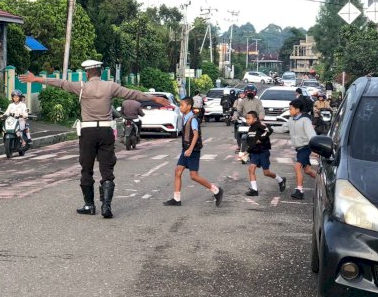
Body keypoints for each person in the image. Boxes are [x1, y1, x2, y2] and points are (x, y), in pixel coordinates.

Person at [19, 60, 167, 218]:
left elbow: (60, 83)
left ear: (87, 73)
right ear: (101, 71)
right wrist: (155, 98)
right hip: (106, 131)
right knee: (107, 169)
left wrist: (36, 79)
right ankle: (106, 206)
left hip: (88, 132)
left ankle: (89, 205)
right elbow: (133, 93)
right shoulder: (110, 86)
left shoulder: (81, 87)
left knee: (86, 168)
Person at [163, 97, 224, 207]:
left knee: (194, 176)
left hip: (192, 150)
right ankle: (176, 199)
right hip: (186, 149)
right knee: (178, 172)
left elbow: (196, 135)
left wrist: (190, 149)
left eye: (182, 105)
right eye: (180, 105)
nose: (180, 107)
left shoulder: (193, 119)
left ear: (189, 107)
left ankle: (216, 190)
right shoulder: (185, 116)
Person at [277, 100, 317, 200]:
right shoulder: (291, 120)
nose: (289, 111)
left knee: (297, 166)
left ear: (298, 109)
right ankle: (323, 182)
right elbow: (282, 129)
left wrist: (316, 148)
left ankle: (299, 191)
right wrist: (269, 129)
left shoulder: (305, 120)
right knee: (307, 170)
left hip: (306, 147)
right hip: (299, 149)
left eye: (291, 109)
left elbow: (311, 135)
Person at [243, 111, 286, 196]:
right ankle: (254, 190)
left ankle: (280, 180)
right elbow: (252, 142)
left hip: (263, 152)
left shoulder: (260, 125)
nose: (247, 120)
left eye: (249, 118)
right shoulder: (250, 128)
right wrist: (247, 152)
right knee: (251, 169)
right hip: (255, 153)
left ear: (255, 119)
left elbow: (269, 130)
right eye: (246, 118)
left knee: (266, 173)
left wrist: (261, 139)